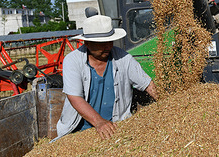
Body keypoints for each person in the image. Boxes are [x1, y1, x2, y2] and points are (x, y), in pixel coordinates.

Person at [55, 13, 158, 141]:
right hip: (79, 132)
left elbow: (147, 84)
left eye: (110, 41)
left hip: (116, 127)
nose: (108, 46)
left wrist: (166, 102)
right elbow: (75, 98)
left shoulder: (123, 58)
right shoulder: (72, 61)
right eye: (102, 43)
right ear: (87, 43)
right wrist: (99, 122)